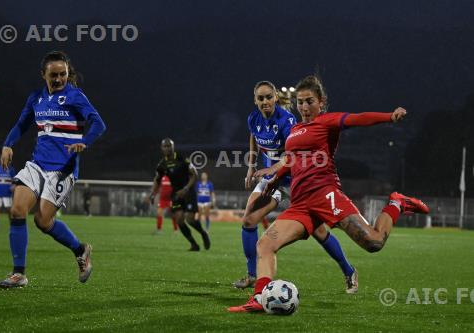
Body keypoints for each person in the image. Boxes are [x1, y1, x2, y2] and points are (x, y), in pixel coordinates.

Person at [228, 75, 429, 312]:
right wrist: (275, 180)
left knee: (374, 242)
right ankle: (260, 299)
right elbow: (291, 159)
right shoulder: (295, 130)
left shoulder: (327, 122)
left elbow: (358, 119)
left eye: (309, 101)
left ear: (321, 102)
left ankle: (397, 203)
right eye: (300, 102)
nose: (304, 107)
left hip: (326, 195)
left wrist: (389, 117)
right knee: (265, 245)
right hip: (301, 204)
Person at [234, 81, 358, 294]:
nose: (265, 102)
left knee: (319, 232)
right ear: (255, 100)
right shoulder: (252, 119)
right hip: (271, 179)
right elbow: (254, 138)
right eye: (260, 98)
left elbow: (294, 153)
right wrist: (251, 167)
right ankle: (252, 275)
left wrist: (274, 168)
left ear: (275, 97)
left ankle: (348, 270)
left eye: (268, 97)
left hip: (294, 180)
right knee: (248, 219)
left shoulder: (287, 120)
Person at [0, 51, 106, 289]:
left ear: (68, 73)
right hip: (37, 164)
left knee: (42, 220)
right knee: (17, 210)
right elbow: (21, 124)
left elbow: (99, 123)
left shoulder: (75, 96)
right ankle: (18, 274)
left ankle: (80, 250)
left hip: (63, 168)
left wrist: (84, 142)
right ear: (43, 75)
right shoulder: (36, 98)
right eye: (53, 75)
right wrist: (7, 144)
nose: (58, 79)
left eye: (63, 74)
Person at [150, 138, 210, 251]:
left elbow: (194, 174)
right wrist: (153, 193)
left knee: (190, 219)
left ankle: (203, 233)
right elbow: (157, 179)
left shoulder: (182, 159)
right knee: (179, 219)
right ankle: (194, 244)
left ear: (173, 147)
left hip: (188, 191)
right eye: (165, 146)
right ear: (162, 149)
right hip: (176, 193)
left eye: (169, 146)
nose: (167, 148)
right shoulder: (162, 164)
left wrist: (186, 188)